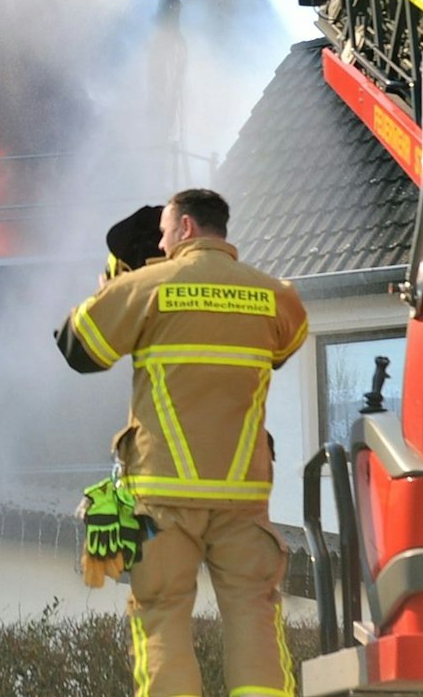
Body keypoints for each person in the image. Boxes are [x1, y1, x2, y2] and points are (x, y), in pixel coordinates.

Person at [54, 188, 309, 697]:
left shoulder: (148, 287)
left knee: (162, 612)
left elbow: (77, 347)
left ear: (186, 227)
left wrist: (112, 286)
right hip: (242, 497)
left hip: (163, 494)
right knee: (253, 612)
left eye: (165, 232)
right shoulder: (276, 296)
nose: (162, 243)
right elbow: (283, 348)